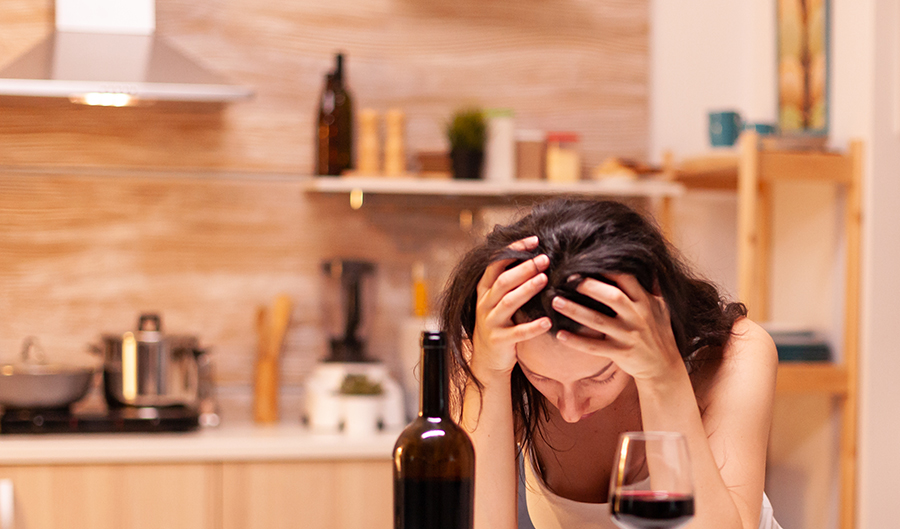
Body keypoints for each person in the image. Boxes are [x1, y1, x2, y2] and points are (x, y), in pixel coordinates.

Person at [438, 198, 782, 529]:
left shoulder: (734, 354)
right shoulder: (491, 358)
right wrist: (490, 374)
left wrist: (662, 375)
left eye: (600, 376)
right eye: (540, 377)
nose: (570, 410)